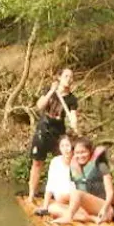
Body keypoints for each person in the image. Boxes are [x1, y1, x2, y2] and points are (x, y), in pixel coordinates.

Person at [27, 68, 79, 208]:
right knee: (37, 163)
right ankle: (32, 194)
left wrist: (74, 122)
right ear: (60, 77)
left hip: (59, 133)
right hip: (43, 130)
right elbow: (39, 106)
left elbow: (73, 114)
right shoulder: (49, 90)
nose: (69, 79)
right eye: (66, 76)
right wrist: (51, 91)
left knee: (63, 163)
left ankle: (61, 195)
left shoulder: (72, 99)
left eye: (71, 77)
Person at [54, 137, 114, 224]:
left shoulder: (102, 165)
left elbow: (110, 193)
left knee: (76, 193)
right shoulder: (75, 167)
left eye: (83, 152)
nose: (80, 156)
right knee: (54, 206)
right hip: (87, 210)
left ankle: (69, 217)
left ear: (90, 152)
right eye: (77, 153)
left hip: (105, 208)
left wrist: (104, 209)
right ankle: (90, 218)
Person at [34, 134, 75, 216]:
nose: (65, 149)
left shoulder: (77, 160)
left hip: (76, 197)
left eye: (67, 145)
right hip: (61, 197)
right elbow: (50, 184)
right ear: (59, 148)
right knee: (52, 208)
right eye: (62, 146)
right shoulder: (55, 162)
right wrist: (45, 206)